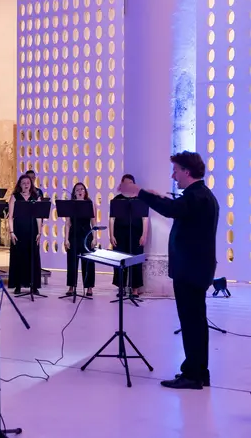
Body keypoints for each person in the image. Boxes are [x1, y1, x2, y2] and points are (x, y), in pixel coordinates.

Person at [119, 151, 219, 390]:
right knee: (196, 322)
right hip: (195, 268)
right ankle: (198, 371)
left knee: (191, 322)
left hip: (190, 270)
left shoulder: (196, 197)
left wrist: (139, 192)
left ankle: (193, 375)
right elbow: (175, 206)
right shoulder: (200, 196)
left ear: (186, 170)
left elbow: (172, 209)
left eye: (175, 170)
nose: (173, 175)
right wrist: (155, 196)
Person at [110, 174, 148, 298]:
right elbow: (112, 219)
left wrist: (144, 235)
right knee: (120, 260)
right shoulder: (117, 200)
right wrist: (111, 235)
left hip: (136, 233)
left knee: (135, 261)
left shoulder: (140, 199)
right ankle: (121, 287)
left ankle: (135, 288)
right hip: (120, 233)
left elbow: (145, 219)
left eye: (130, 183)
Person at [8, 174, 43, 295]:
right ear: (20, 185)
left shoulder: (36, 196)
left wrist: (39, 232)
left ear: (31, 184)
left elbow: (39, 217)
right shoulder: (15, 197)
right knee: (18, 257)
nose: (26, 185)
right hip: (18, 229)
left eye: (28, 183)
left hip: (32, 229)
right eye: (23, 183)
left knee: (33, 256)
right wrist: (11, 232)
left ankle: (34, 285)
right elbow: (10, 217)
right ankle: (18, 285)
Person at [64, 182, 96, 296]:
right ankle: (71, 286)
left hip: (87, 235)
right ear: (74, 193)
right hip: (73, 235)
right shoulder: (71, 205)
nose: (80, 191)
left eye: (82, 189)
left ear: (85, 191)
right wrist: (66, 239)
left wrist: (95, 238)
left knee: (88, 262)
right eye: (77, 190)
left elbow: (93, 222)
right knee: (72, 261)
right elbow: (67, 223)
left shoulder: (90, 203)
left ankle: (89, 287)